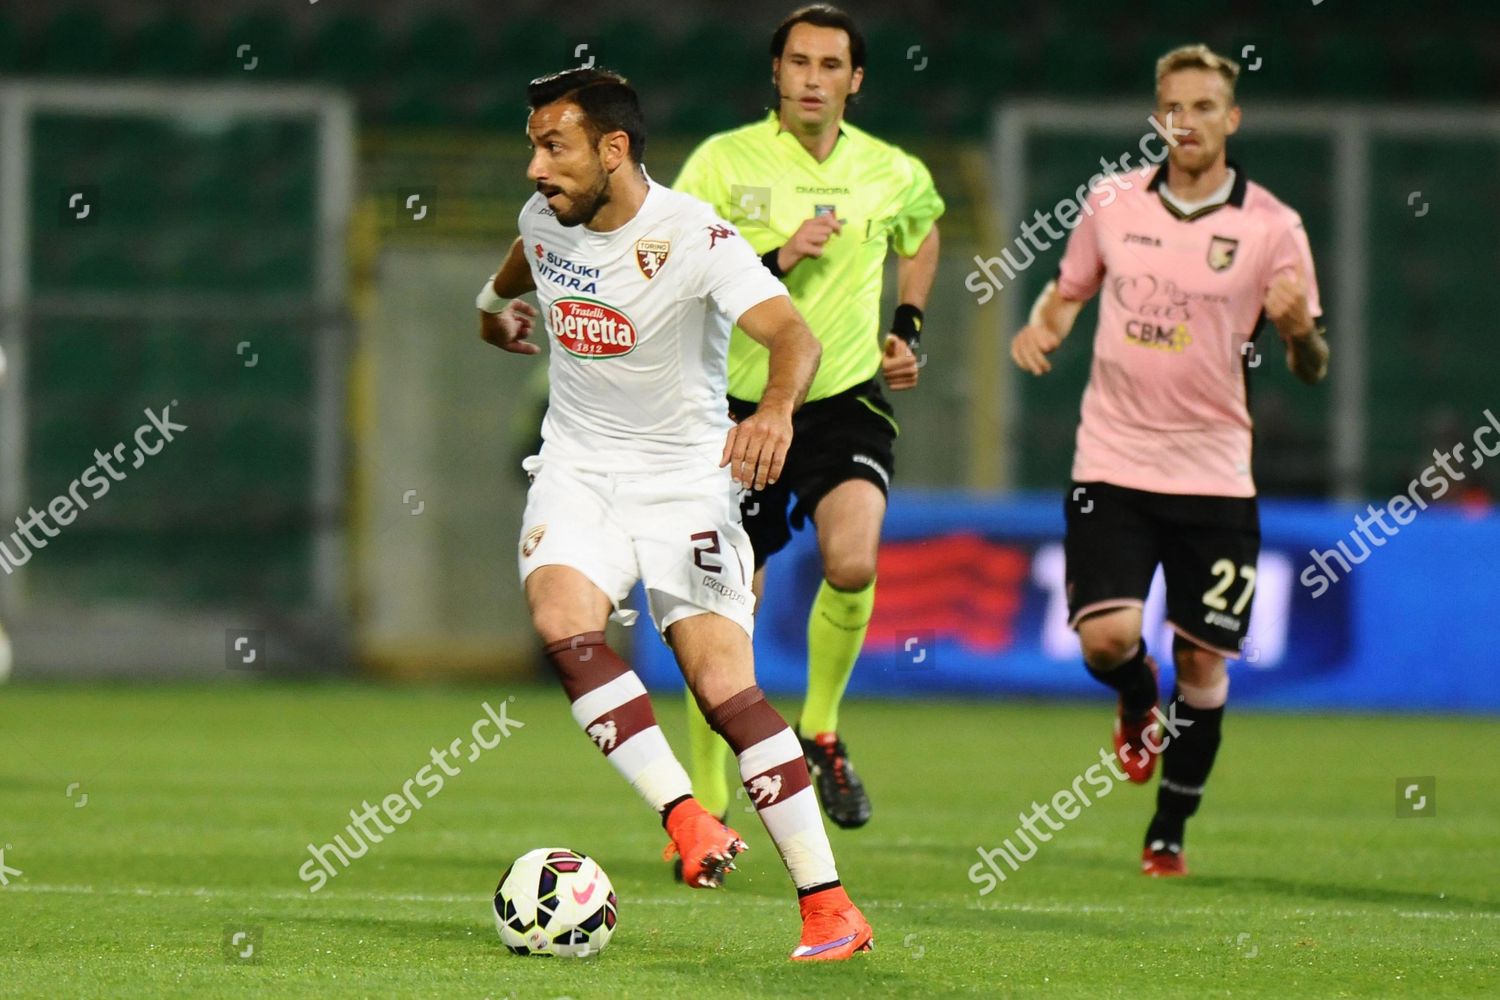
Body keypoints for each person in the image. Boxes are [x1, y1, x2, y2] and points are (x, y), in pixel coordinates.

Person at [478, 66, 872, 959]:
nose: (536, 169)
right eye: (533, 146)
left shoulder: (695, 235)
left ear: (614, 149)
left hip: (685, 482)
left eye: (555, 147)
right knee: (563, 625)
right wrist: (489, 311)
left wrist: (773, 412)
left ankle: (829, 906)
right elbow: (512, 274)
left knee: (726, 693)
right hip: (578, 470)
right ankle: (687, 814)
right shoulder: (545, 221)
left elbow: (792, 337)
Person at [1009, 44, 1329, 876]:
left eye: (1204, 107)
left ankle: (1169, 829)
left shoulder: (1272, 227)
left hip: (1216, 473)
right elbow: (1069, 288)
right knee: (1108, 641)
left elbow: (1313, 364)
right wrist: (1046, 323)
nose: (1187, 122)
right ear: (1159, 116)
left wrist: (1298, 329)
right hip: (1111, 458)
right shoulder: (1112, 202)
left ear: (1232, 118)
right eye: (1173, 108)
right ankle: (1133, 700)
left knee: (1205, 657)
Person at [670, 3, 943, 835]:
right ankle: (709, 801)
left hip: (842, 399)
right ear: (776, 74)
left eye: (831, 65)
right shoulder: (721, 164)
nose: (813, 79)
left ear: (855, 80)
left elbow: (922, 233)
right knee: (725, 606)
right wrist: (777, 256)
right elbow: (674, 270)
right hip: (737, 410)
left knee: (853, 560)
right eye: (799, 63)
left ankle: (820, 726)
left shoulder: (889, 170)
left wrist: (907, 328)